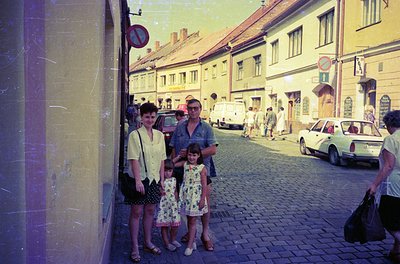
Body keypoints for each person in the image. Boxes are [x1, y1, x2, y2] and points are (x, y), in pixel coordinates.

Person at [170, 98, 217, 252]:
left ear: (200, 109)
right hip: (182, 171)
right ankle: (191, 232)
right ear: (187, 110)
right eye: (190, 108)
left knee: (204, 203)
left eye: (196, 108)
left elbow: (213, 150)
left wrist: (194, 155)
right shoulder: (180, 126)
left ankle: (205, 235)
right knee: (184, 202)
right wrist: (171, 166)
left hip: (202, 170)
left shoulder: (206, 128)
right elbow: (173, 148)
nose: (193, 111)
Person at [126, 103, 166, 262]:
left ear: (156, 118)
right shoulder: (135, 135)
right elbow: (133, 159)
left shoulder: (159, 135)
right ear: (141, 117)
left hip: (154, 180)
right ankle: (135, 246)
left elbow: (163, 159)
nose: (150, 119)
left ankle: (147, 242)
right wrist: (137, 181)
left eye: (152, 116)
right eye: (147, 116)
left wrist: (162, 180)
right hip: (140, 180)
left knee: (150, 211)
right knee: (136, 212)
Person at [367, 110, 400, 263]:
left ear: (388, 124)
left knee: (387, 219)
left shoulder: (391, 139)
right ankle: (395, 252)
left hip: (393, 187)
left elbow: (388, 166)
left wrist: (374, 185)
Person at [176, 143, 208, 256]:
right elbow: (172, 164)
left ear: (199, 155)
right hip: (186, 197)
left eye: (194, 155)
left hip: (196, 197)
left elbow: (204, 185)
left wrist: (202, 199)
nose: (191, 157)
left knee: (193, 220)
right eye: (189, 155)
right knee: (189, 219)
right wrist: (180, 155)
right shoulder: (185, 164)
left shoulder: (202, 168)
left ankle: (189, 245)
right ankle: (192, 240)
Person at [155, 159, 181, 252]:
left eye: (170, 171)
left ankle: (173, 239)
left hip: (173, 206)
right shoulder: (160, 182)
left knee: (175, 225)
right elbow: (158, 194)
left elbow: (175, 191)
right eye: (165, 171)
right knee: (165, 225)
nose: (167, 173)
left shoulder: (174, 180)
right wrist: (159, 191)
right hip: (164, 207)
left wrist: (177, 202)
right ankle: (167, 243)